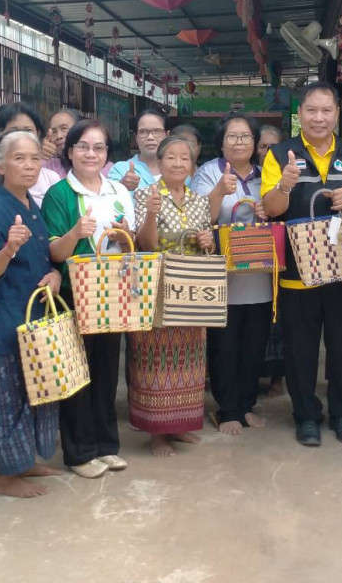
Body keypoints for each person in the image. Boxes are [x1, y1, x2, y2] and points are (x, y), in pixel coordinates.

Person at [261, 82, 342, 446]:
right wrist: (285, 185)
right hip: (297, 269)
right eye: (311, 110)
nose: (319, 117)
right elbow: (272, 210)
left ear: (337, 114)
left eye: (326, 110)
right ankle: (306, 415)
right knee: (301, 348)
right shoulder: (280, 154)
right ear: (300, 114)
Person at [0, 130, 64, 498]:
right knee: (6, 400)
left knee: (32, 394)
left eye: (35, 158)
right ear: (0, 164)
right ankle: (6, 476)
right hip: (4, 322)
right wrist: (8, 249)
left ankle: (24, 462)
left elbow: (43, 256)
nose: (29, 165)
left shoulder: (28, 203)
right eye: (19, 158)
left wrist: (55, 274)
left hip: (33, 318)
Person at [42, 120, 136, 479]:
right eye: (83, 146)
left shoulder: (117, 190)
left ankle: (106, 445)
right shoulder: (60, 194)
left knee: (107, 369)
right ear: (70, 151)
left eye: (98, 147)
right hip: (75, 292)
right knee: (77, 372)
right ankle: (79, 452)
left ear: (107, 153)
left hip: (114, 290)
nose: (91, 154)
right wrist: (75, 233)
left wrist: (126, 234)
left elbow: (131, 242)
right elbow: (54, 252)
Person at [132, 136, 216, 455]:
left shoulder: (199, 200)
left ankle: (179, 425)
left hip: (192, 289)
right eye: (171, 157)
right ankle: (157, 433)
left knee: (190, 357)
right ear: (160, 162)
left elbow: (206, 246)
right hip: (157, 288)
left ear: (192, 165)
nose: (178, 163)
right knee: (156, 358)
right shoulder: (146, 195)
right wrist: (151, 214)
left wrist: (208, 241)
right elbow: (147, 245)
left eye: (185, 158)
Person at [192, 113, 272, 435]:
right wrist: (218, 193)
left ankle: (247, 405)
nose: (239, 142)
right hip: (222, 275)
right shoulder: (209, 172)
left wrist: (267, 211)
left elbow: (278, 211)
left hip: (259, 272)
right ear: (221, 142)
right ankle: (227, 410)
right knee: (224, 345)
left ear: (254, 142)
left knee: (254, 344)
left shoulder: (265, 174)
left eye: (246, 137)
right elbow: (199, 219)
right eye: (232, 137)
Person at [257, 125, 286, 396]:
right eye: (263, 146)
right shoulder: (251, 175)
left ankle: (278, 377)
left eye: (272, 147)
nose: (267, 151)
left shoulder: (287, 174)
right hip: (250, 255)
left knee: (278, 318)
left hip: (279, 253)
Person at [0, 102, 62, 207]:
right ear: (1, 134)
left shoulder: (51, 178)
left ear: (38, 133)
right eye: (14, 131)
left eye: (28, 131)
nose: (22, 136)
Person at [109, 109, 167, 191]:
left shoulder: (178, 168)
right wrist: (122, 186)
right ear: (136, 137)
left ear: (167, 135)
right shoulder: (120, 170)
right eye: (143, 131)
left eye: (157, 131)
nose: (150, 137)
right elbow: (107, 197)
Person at [40, 107, 81, 179]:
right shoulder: (45, 167)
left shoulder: (96, 163)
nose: (59, 136)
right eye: (54, 132)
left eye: (64, 128)